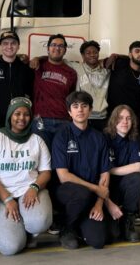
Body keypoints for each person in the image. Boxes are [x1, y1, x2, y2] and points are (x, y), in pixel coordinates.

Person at [0, 97, 52, 256]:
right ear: (10, 116)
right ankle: (0, 231)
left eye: (26, 114)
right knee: (10, 247)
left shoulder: (37, 140)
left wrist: (34, 187)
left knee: (40, 222)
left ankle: (27, 229)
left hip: (29, 192)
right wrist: (7, 199)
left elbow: (46, 172)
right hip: (1, 197)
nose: (22, 118)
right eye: (17, 113)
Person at [51, 91, 111, 249]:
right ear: (69, 112)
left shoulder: (99, 138)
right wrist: (96, 189)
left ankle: (79, 225)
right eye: (75, 106)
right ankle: (66, 227)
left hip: (92, 196)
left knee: (98, 241)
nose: (80, 110)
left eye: (84, 106)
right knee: (82, 193)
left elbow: (105, 174)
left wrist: (99, 203)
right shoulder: (61, 136)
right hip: (67, 194)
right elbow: (63, 176)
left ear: (90, 110)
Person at [103, 105, 140, 242]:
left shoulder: (134, 138)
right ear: (113, 120)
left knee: (139, 178)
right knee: (113, 236)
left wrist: (111, 170)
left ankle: (128, 219)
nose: (125, 122)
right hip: (106, 188)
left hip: (124, 185)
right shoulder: (104, 137)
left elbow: (138, 167)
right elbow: (100, 171)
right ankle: (114, 220)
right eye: (120, 118)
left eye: (128, 118)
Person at [0, 31, 33, 141]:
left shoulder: (24, 68)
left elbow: (31, 91)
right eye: (5, 43)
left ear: (18, 46)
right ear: (0, 46)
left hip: (16, 121)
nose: (9, 46)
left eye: (13, 43)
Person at [32, 34, 78, 148]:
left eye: (61, 46)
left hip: (63, 121)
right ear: (48, 48)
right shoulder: (37, 66)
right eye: (53, 45)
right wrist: (37, 58)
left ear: (65, 50)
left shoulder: (71, 73)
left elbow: (71, 98)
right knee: (40, 155)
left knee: (61, 155)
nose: (57, 48)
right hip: (40, 120)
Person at [106, 41, 140, 128]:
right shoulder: (119, 63)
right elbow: (101, 63)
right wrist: (115, 55)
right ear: (130, 54)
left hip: (133, 118)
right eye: (137, 51)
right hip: (114, 115)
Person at [75, 40, 111, 131]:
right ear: (83, 55)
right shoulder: (76, 67)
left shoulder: (106, 71)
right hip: (83, 117)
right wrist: (39, 59)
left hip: (102, 118)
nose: (92, 55)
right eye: (88, 53)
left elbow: (127, 60)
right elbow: (56, 59)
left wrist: (115, 55)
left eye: (95, 52)